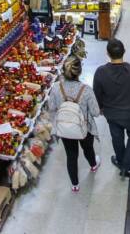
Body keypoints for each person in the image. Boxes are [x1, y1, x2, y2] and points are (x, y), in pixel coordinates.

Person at [93, 39, 130, 180]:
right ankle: (126, 166)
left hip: (112, 114)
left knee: (117, 138)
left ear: (107, 53)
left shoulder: (100, 72)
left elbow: (96, 95)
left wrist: (100, 108)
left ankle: (120, 160)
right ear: (124, 51)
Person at [48, 55, 100, 192]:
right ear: (80, 71)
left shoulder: (55, 89)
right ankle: (93, 165)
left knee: (71, 155)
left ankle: (75, 184)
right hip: (84, 127)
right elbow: (95, 112)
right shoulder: (87, 90)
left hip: (66, 128)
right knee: (88, 148)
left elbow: (51, 108)